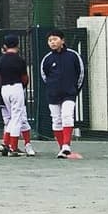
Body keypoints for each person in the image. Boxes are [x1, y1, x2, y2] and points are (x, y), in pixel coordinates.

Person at [40, 29, 85, 159]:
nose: (52, 42)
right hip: (53, 94)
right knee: (56, 120)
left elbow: (81, 73)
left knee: (67, 116)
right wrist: (52, 87)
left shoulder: (73, 55)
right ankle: (62, 149)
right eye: (50, 40)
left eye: (55, 39)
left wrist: (75, 89)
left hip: (69, 93)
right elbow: (44, 76)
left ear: (62, 40)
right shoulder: (47, 59)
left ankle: (66, 145)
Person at [0, 34, 32, 157]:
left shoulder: (1, 60)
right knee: (17, 117)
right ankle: (13, 148)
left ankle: (6, 143)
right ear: (17, 45)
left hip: (4, 89)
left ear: (5, 46)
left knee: (11, 118)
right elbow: (25, 78)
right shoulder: (19, 60)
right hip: (16, 87)